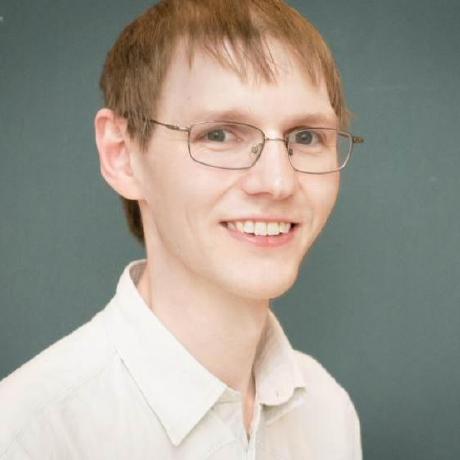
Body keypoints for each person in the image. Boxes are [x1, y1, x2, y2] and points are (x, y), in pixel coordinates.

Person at [0, 0, 364, 458]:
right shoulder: (27, 436)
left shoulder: (328, 412)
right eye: (220, 134)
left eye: (306, 137)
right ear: (122, 155)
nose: (278, 182)